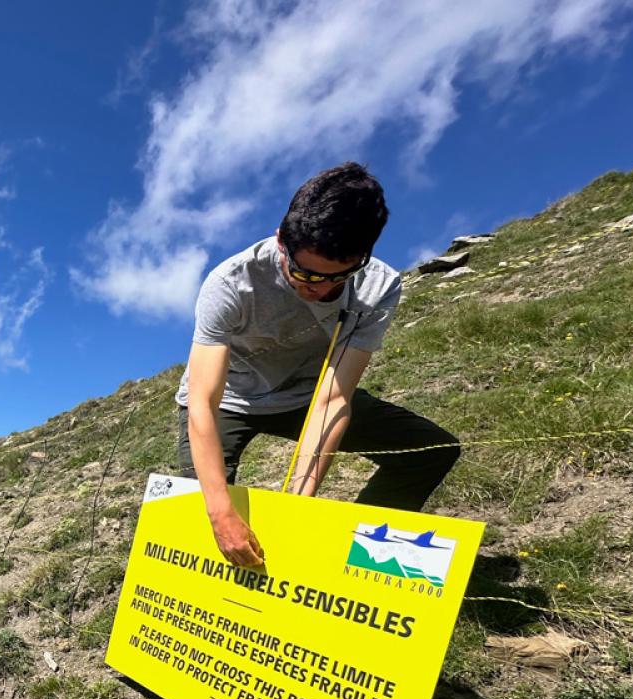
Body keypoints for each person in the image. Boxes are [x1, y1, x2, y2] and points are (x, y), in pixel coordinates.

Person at [175, 162, 460, 569]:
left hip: (306, 394)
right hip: (230, 400)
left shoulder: (378, 287)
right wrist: (221, 513)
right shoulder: (230, 283)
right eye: (304, 274)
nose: (320, 289)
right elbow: (203, 400)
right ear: (280, 242)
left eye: (339, 277)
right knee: (197, 505)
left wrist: (299, 502)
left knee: (432, 451)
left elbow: (333, 397)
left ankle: (351, 564)